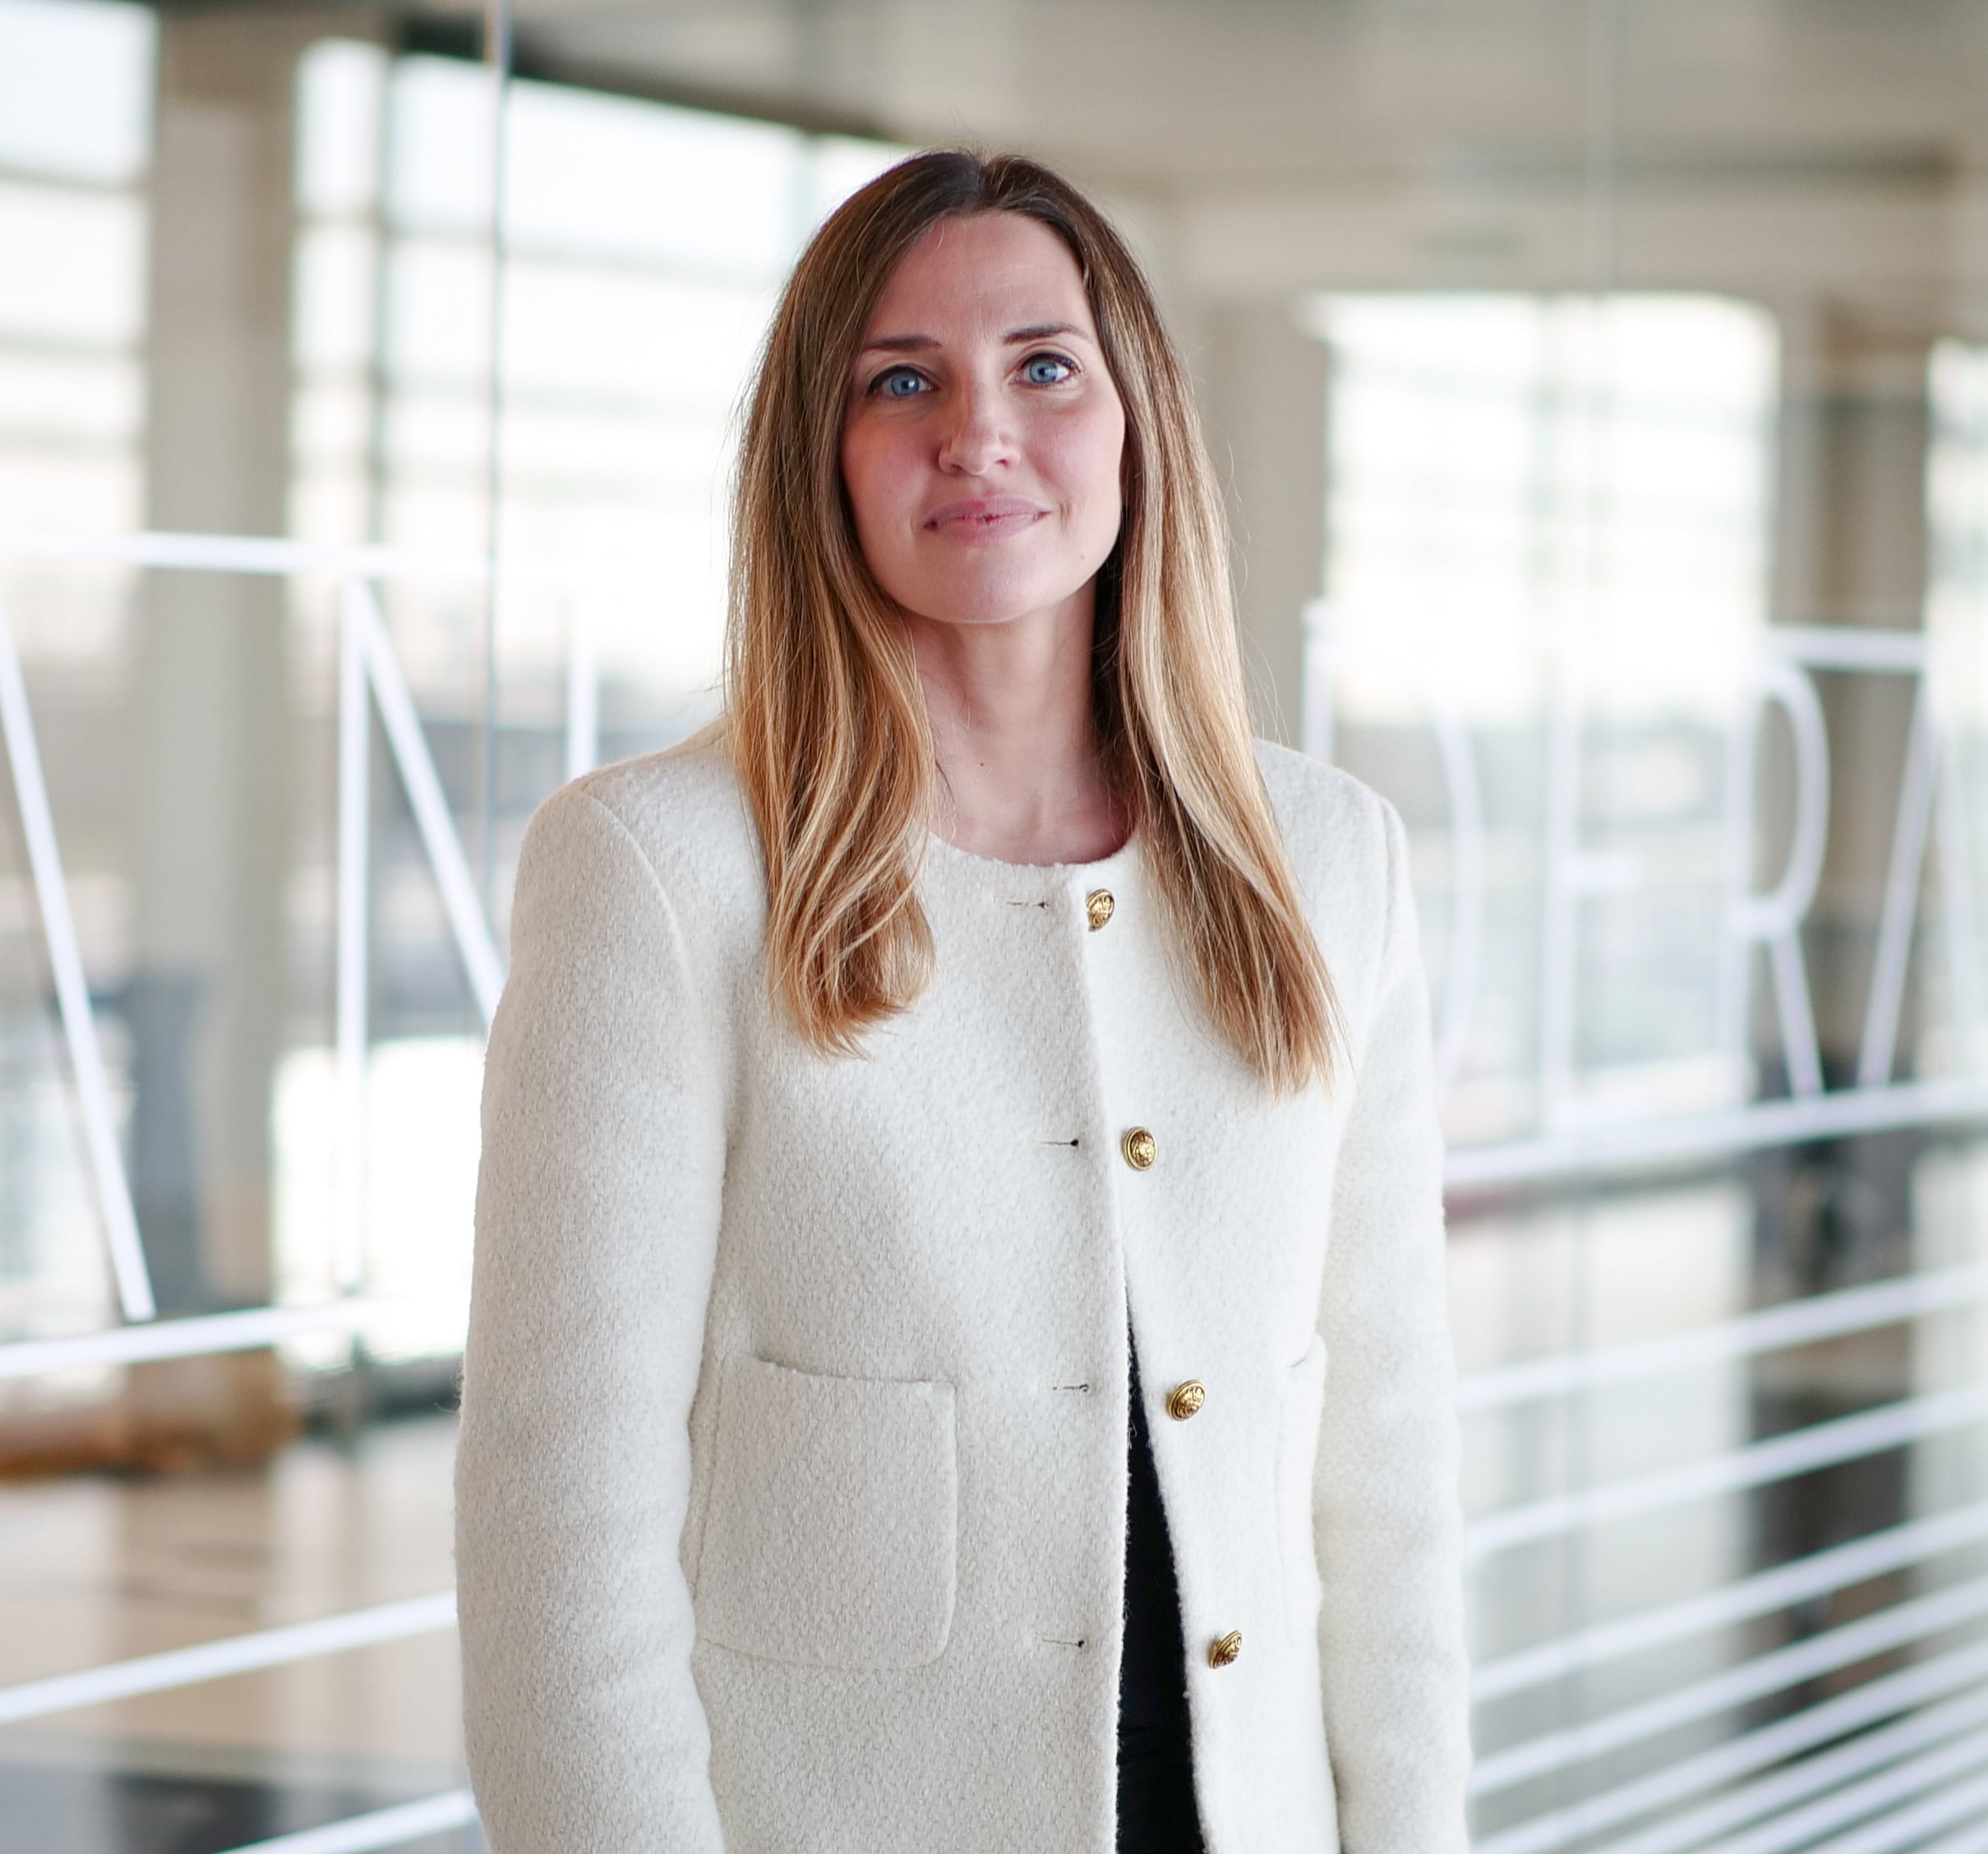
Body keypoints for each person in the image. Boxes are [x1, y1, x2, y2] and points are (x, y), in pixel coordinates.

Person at [456, 149, 1469, 1852]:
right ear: (820, 460)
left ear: (1134, 423)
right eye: (900, 380)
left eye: (1043, 367)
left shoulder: (1330, 859)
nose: (977, 431)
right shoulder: (655, 869)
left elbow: (1388, 1475)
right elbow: (561, 1526)